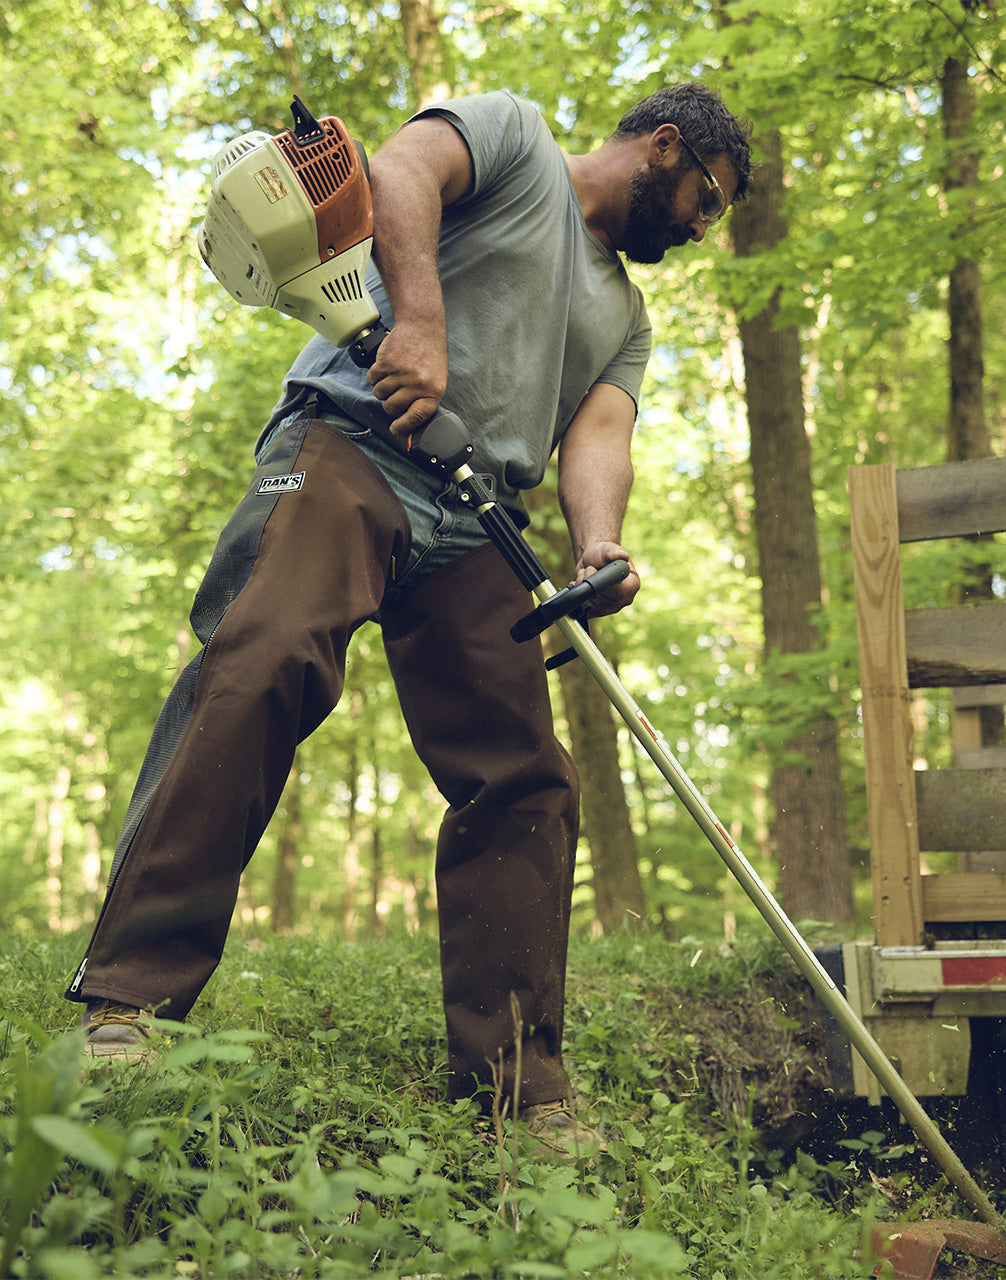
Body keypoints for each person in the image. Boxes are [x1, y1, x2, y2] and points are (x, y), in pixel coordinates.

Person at [66, 82, 753, 1158]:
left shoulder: (626, 316)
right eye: (707, 199)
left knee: (525, 777)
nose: (704, 229)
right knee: (262, 659)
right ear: (663, 148)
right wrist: (421, 323)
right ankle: (127, 1007)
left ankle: (518, 1093)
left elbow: (599, 433)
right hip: (352, 442)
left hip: (479, 514)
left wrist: (598, 545)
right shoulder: (518, 134)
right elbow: (398, 172)